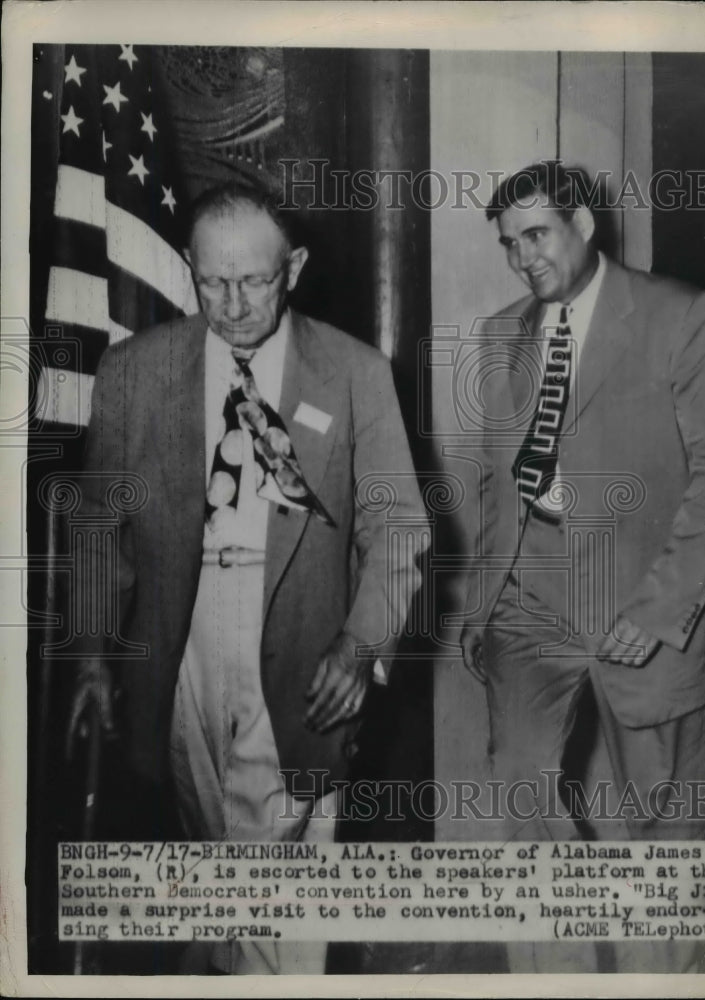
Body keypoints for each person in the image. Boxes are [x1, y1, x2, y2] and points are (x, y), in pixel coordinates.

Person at [67, 181, 428, 974]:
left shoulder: (355, 371)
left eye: (254, 281)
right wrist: (93, 650)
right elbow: (99, 527)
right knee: (212, 831)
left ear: (292, 268)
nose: (231, 304)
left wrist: (362, 641)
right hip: (179, 639)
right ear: (190, 268)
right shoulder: (134, 371)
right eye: (212, 281)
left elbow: (397, 526)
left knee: (282, 845)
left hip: (304, 635)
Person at [460, 161, 705, 972]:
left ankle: (680, 979)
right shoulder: (500, 334)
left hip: (649, 596)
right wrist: (488, 602)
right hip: (534, 593)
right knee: (520, 785)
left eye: (538, 235)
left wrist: (657, 614)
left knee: (669, 825)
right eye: (510, 244)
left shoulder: (682, 315)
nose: (524, 259)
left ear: (584, 223)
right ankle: (568, 980)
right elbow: (499, 486)